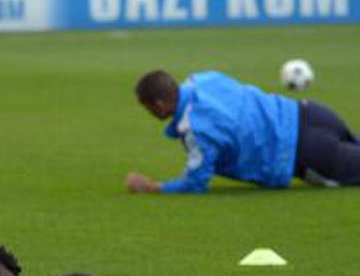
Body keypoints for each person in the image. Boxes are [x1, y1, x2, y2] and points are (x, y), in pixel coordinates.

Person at [127, 69, 360, 193]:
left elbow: (196, 182)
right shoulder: (201, 79)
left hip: (307, 152)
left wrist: (153, 187)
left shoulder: (194, 130)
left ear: (158, 105)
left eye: (146, 107)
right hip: (312, 113)